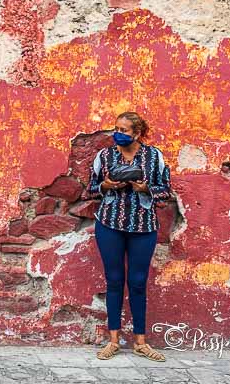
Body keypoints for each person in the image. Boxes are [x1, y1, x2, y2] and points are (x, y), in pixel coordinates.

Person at [82, 111, 172, 362]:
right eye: (116, 129)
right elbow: (90, 189)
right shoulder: (105, 156)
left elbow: (166, 191)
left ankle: (140, 342)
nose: (118, 134)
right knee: (113, 281)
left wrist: (146, 189)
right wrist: (106, 185)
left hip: (143, 226)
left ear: (137, 133)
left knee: (138, 282)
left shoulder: (154, 157)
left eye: (124, 130)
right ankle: (113, 341)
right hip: (109, 224)